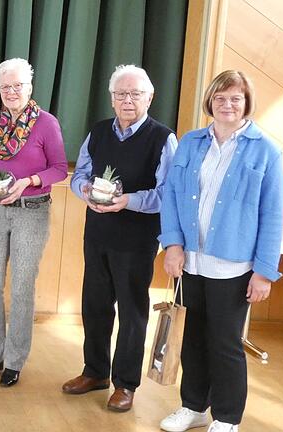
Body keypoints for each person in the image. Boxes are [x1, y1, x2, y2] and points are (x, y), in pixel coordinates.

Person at [158, 70, 283, 432]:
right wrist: (173, 244)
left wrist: (264, 272)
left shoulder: (266, 150)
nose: (227, 105)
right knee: (193, 339)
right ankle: (193, 407)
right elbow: (171, 197)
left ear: (246, 103)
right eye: (220, 98)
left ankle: (227, 418)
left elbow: (272, 214)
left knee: (225, 344)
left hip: (234, 267)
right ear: (210, 101)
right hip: (190, 261)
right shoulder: (191, 142)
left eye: (235, 98)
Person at [63, 65, 178, 412]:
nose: (128, 100)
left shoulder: (163, 137)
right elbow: (78, 175)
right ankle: (95, 371)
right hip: (96, 233)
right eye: (121, 94)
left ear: (149, 98)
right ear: (112, 99)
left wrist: (128, 201)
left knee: (132, 312)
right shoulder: (98, 132)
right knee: (94, 306)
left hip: (137, 238)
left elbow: (166, 193)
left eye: (135, 94)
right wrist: (85, 190)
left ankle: (125, 383)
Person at [0, 58, 68, 387]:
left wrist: (28, 182)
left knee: (22, 289)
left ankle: (14, 360)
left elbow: (59, 169)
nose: (12, 92)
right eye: (5, 87)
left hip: (32, 210)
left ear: (30, 87)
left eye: (18, 86)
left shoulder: (46, 123)